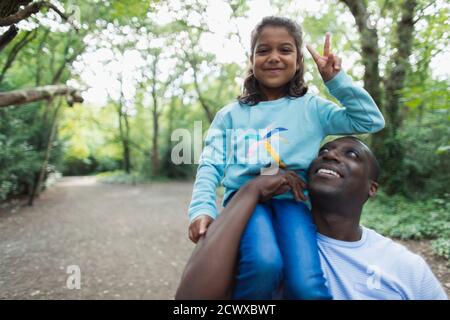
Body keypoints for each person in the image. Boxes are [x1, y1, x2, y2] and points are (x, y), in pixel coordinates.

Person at [187, 16, 385, 299]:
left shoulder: (312, 108)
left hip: (293, 202)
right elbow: (210, 165)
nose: (274, 58)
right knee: (263, 263)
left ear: (299, 60)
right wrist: (201, 208)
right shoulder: (231, 115)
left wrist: (336, 81)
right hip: (245, 201)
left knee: (306, 284)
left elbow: (369, 121)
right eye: (264, 50)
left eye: (285, 50)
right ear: (252, 58)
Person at [176, 136, 448, 300]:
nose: (330, 155)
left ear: (371, 188)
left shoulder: (407, 267)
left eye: (351, 155)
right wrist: (251, 190)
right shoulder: (260, 241)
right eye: (323, 152)